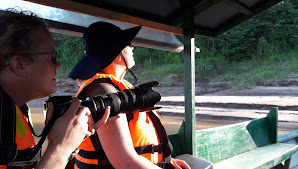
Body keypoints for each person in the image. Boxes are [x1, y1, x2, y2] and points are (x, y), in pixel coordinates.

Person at [0, 9, 113, 169]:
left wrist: (71, 141)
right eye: (51, 57)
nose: (58, 64)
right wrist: (60, 148)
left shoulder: (12, 111)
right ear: (19, 65)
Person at [68, 21, 190, 169]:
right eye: (128, 44)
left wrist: (166, 162)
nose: (133, 47)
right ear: (116, 51)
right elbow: (125, 162)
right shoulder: (104, 93)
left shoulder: (117, 89)